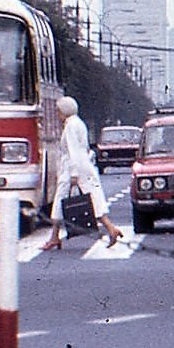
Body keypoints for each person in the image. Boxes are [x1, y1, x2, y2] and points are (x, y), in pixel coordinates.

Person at [42, 96, 123, 250]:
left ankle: (54, 237)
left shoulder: (71, 126)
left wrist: (73, 174)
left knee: (60, 200)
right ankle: (111, 229)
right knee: (93, 198)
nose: (58, 114)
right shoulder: (78, 123)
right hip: (83, 166)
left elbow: (73, 151)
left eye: (58, 111)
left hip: (73, 168)